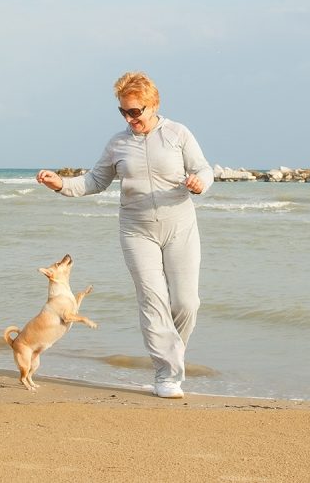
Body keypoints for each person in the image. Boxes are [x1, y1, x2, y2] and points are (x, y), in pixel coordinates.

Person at [36, 71, 213, 399]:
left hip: (180, 227)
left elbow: (204, 169)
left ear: (153, 104)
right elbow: (94, 181)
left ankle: (173, 356)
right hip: (136, 230)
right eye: (123, 111)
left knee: (187, 302)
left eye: (136, 111)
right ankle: (166, 374)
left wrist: (200, 182)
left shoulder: (178, 133)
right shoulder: (117, 144)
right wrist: (60, 183)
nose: (130, 118)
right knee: (152, 301)